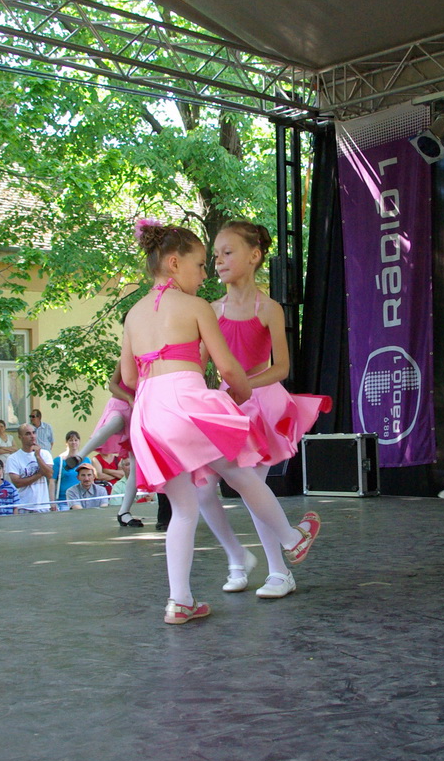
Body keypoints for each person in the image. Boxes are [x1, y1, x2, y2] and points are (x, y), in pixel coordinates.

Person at [122, 219, 319, 625]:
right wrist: (239, 395)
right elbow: (228, 368)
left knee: (183, 508)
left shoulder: (133, 314)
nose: (204, 274)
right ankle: (291, 539)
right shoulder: (196, 307)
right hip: (185, 403)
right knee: (240, 471)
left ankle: (180, 601)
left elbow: (127, 376)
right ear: (174, 264)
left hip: (148, 412)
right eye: (199, 265)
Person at [195, 221, 332, 599]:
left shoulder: (269, 309)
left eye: (228, 252)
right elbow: (199, 365)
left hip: (261, 404)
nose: (219, 261)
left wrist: (244, 386)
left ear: (254, 256)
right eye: (216, 254)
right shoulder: (210, 310)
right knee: (203, 490)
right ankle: (237, 559)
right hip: (225, 404)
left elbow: (281, 368)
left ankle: (279, 571)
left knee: (251, 486)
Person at [74, 366, 143, 527]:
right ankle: (80, 455)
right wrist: (129, 397)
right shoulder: (127, 358)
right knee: (115, 422)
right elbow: (112, 385)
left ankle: (124, 512)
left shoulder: (153, 362)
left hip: (136, 413)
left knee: (135, 467)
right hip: (119, 405)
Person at [7, 423, 55, 513]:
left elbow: (49, 474)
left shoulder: (44, 454)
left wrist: (38, 457)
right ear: (20, 437)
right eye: (28, 434)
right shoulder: (13, 458)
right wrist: (39, 474)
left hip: (43, 505)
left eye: (34, 433)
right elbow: (17, 483)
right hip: (24, 506)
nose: (32, 436)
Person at [54, 431, 85, 502]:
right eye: (71, 440)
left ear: (79, 442)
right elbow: (52, 481)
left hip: (82, 498)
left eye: (76, 440)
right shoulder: (58, 461)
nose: (73, 442)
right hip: (64, 500)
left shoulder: (86, 460)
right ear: (66, 443)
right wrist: (52, 501)